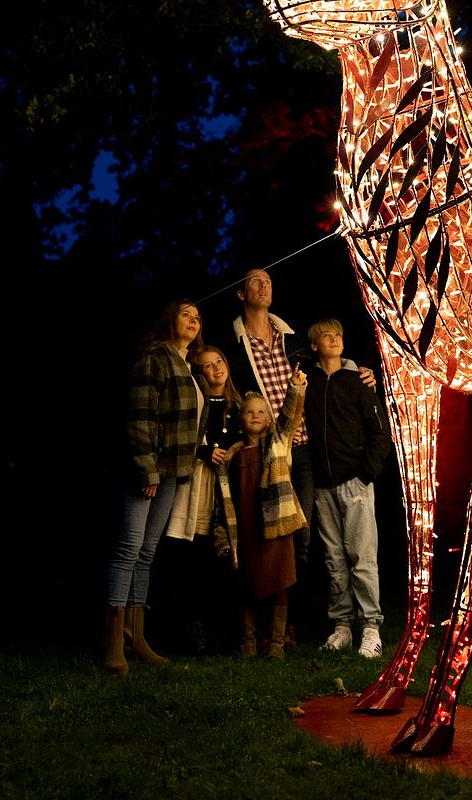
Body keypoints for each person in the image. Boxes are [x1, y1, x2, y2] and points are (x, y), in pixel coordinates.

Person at [225, 267, 377, 643]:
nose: (264, 286)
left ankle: (295, 621)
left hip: (306, 448)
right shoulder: (235, 343)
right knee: (262, 534)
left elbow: (329, 366)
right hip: (268, 450)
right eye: (254, 282)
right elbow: (227, 390)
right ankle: (259, 623)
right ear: (241, 295)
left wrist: (358, 369)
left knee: (304, 537)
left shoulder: (291, 339)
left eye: (269, 281)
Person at [104, 298, 209, 674]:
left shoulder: (189, 366)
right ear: (169, 320)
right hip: (148, 469)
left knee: (147, 551)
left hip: (173, 471)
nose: (194, 321)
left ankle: (137, 637)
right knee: (128, 547)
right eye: (186, 314)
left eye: (198, 317)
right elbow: (140, 416)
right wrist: (146, 469)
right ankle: (113, 644)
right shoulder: (155, 357)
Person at [304, 318, 391, 659]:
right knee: (334, 559)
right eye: (326, 335)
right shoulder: (307, 381)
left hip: (354, 482)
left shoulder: (358, 382)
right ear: (315, 345)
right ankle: (341, 626)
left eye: (339, 334)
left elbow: (380, 433)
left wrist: (365, 474)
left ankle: (371, 627)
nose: (335, 339)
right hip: (323, 487)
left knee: (362, 558)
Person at [213, 366, 308, 660]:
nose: (255, 415)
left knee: (279, 581)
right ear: (241, 420)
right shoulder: (232, 457)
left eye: (261, 412)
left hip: (277, 527)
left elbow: (291, 414)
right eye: (249, 412)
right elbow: (223, 504)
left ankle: (277, 643)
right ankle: (249, 642)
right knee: (246, 583)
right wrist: (223, 539)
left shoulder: (277, 443)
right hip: (246, 529)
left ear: (268, 420)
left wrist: (296, 386)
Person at [161, 345, 242, 655]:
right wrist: (205, 451)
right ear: (200, 372)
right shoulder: (198, 403)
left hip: (228, 489)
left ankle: (225, 633)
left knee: (224, 558)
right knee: (194, 556)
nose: (216, 369)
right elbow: (185, 438)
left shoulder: (239, 403)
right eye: (208, 366)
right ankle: (192, 634)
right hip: (198, 485)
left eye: (219, 361)